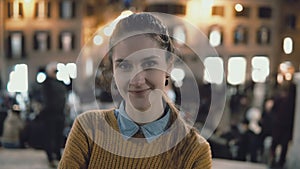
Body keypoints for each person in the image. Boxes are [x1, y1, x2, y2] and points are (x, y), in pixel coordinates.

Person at [59, 13, 212, 168]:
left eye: (149, 63)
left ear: (169, 65)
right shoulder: (88, 130)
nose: (137, 80)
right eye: (124, 65)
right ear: (112, 68)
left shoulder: (194, 151)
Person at [40, 62, 67, 168]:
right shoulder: (47, 84)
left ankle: (57, 155)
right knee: (50, 136)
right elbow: (46, 100)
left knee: (58, 136)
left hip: (59, 114)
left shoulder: (59, 83)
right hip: (51, 114)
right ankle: (51, 157)